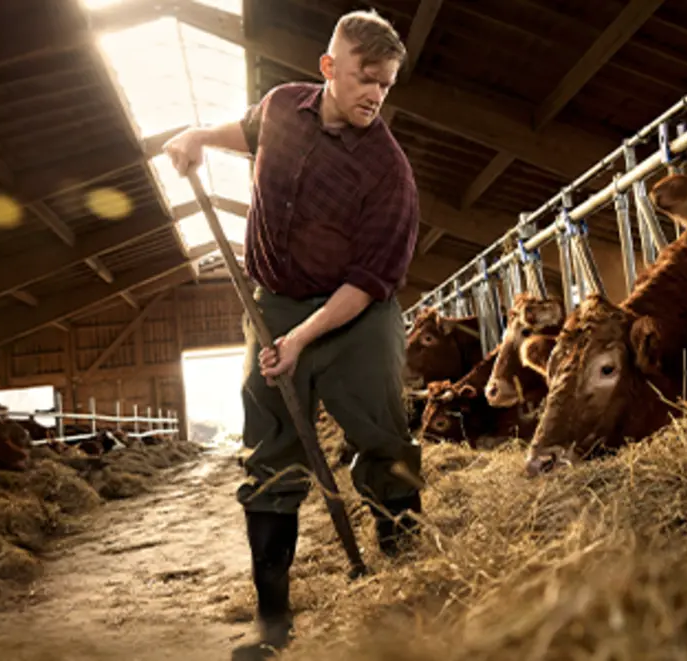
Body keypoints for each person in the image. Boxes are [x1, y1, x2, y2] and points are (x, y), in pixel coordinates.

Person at [162, 8, 424, 658]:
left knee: (382, 435)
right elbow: (249, 130)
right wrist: (196, 134)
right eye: (365, 78)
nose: (375, 95)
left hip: (356, 313)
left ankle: (410, 595)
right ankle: (273, 628)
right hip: (273, 301)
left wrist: (304, 339)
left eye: (385, 85)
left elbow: (368, 282)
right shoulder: (282, 107)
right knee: (270, 449)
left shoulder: (389, 173)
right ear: (329, 68)